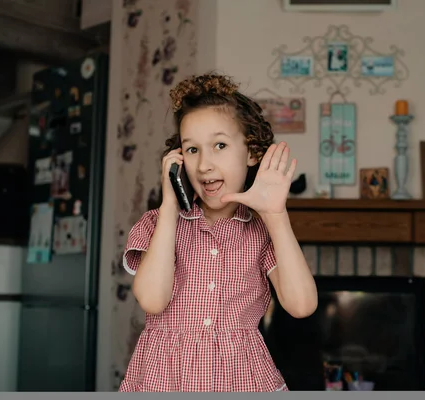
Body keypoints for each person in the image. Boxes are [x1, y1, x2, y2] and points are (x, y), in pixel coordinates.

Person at [118, 73, 318, 392]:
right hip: (166, 379)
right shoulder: (156, 224)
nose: (204, 165)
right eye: (193, 150)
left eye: (220, 145)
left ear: (252, 152)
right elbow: (153, 301)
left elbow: (302, 305)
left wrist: (276, 215)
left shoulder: (262, 231)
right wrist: (170, 205)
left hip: (242, 379)